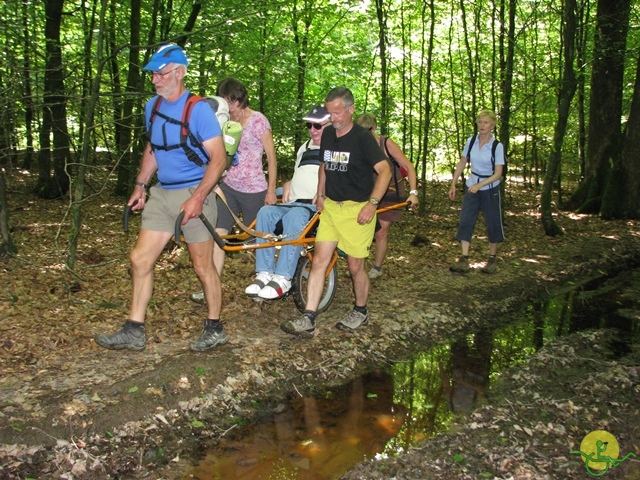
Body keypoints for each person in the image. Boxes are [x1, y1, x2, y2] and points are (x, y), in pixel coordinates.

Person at [95, 44, 228, 352]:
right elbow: (154, 147)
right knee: (139, 259)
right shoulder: (152, 107)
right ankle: (134, 329)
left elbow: (218, 159)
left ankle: (215, 327)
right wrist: (140, 185)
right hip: (162, 193)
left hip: (195, 192)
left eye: (161, 73)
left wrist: (198, 199)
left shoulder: (198, 109)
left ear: (179, 73)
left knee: (202, 265)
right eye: (153, 74)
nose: (155, 79)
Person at [280, 86, 392, 337]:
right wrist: (320, 194)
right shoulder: (329, 134)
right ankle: (308, 317)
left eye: (338, 113)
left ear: (351, 110)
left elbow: (385, 171)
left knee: (355, 267)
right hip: (331, 207)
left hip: (357, 210)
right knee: (319, 261)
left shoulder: (363, 139)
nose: (333, 118)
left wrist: (372, 204)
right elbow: (324, 165)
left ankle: (360, 311)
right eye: (330, 113)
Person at [190, 77, 278, 304]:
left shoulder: (258, 121)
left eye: (233, 102)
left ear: (241, 99)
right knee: (219, 235)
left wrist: (270, 191)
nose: (230, 108)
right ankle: (211, 285)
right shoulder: (223, 120)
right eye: (226, 102)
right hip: (227, 187)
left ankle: (266, 283)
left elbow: (272, 157)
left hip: (254, 190)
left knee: (260, 240)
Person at [245, 105, 330, 299]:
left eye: (318, 126)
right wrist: (288, 183)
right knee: (265, 213)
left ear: (330, 124)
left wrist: (324, 193)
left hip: (313, 207)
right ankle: (264, 272)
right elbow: (299, 174)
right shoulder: (305, 148)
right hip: (293, 201)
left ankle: (283, 276)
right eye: (309, 125)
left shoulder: (335, 149)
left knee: (295, 216)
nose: (312, 130)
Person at [354, 113, 419, 279]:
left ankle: (377, 267)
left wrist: (413, 192)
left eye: (366, 132)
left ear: (373, 129)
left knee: (381, 232)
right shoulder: (357, 145)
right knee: (361, 229)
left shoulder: (386, 144)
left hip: (391, 192)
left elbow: (408, 166)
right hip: (370, 192)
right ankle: (357, 267)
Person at [448, 109, 505, 274]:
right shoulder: (471, 141)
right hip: (472, 184)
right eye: (480, 122)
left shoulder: (496, 146)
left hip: (490, 187)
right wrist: (453, 184)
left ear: (492, 125)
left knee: (492, 221)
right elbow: (462, 162)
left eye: (486, 122)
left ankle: (492, 259)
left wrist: (480, 186)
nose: (482, 125)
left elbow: (498, 173)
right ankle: (464, 258)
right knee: (466, 220)